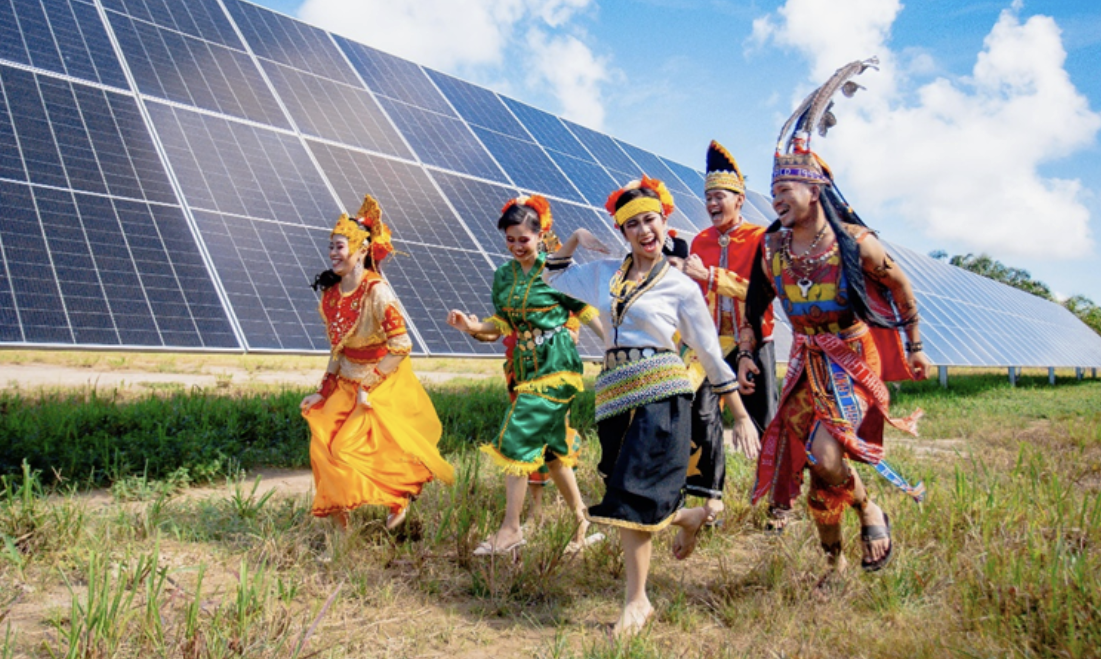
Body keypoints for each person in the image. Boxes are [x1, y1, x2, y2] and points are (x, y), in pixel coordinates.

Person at [742, 59, 933, 583]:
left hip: (850, 358)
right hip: (804, 363)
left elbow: (901, 286)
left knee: (827, 454)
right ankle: (835, 559)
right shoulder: (772, 249)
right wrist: (746, 353)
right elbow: (754, 305)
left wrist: (915, 345)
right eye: (773, 192)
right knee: (815, 464)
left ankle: (868, 508)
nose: (776, 199)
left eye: (786, 189)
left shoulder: (856, 244)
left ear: (815, 190)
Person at [545, 176, 761, 638]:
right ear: (623, 231)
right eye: (634, 224)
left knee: (631, 495)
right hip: (614, 397)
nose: (645, 231)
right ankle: (689, 516)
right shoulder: (603, 274)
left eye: (651, 220)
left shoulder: (681, 287)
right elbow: (552, 275)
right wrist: (576, 238)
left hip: (663, 397)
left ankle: (637, 601)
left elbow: (709, 353)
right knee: (627, 494)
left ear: (665, 223)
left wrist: (740, 415)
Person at [446, 195, 604, 556]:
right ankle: (581, 522)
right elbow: (501, 323)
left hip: (557, 367)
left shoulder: (556, 269)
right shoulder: (504, 275)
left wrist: (611, 344)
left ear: (540, 235)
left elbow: (584, 310)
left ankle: (511, 529)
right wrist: (472, 326)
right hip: (524, 368)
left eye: (524, 239)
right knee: (553, 451)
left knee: (516, 437)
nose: (517, 246)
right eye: (510, 240)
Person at [302, 195, 454, 532]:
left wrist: (368, 386)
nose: (332, 253)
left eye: (340, 247)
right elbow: (337, 350)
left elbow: (401, 345)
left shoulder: (377, 292)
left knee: (353, 449)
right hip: (345, 383)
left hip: (381, 381)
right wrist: (323, 391)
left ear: (360, 250)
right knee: (323, 444)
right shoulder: (331, 296)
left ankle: (398, 499)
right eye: (330, 247)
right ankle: (341, 533)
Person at [679, 140, 778, 525]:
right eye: (708, 198)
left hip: (754, 341)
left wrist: (712, 277)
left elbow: (762, 292)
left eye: (719, 196)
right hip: (712, 344)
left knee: (764, 419)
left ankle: (776, 503)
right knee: (701, 413)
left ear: (739, 199)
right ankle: (710, 502)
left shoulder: (759, 238)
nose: (712, 203)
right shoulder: (701, 241)